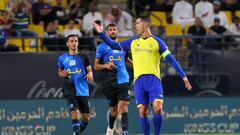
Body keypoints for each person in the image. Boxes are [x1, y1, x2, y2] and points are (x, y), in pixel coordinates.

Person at [93, 16, 192, 135]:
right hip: (139, 82)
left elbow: (171, 60)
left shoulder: (157, 42)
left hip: (154, 80)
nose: (135, 26)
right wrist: (102, 34)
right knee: (143, 112)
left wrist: (183, 76)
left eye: (137, 23)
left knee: (158, 108)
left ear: (145, 24)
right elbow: (114, 45)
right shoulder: (133, 41)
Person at [94, 23, 131, 135]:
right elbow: (96, 66)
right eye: (110, 30)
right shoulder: (102, 47)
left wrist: (138, 65)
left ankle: (125, 132)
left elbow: (127, 60)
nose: (112, 31)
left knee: (123, 107)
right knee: (114, 111)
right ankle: (110, 128)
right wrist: (106, 65)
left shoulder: (123, 46)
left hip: (123, 81)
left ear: (117, 31)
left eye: (114, 29)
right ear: (107, 32)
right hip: (109, 83)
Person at [58, 34, 93, 135]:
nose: (74, 43)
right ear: (67, 44)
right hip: (70, 89)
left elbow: (89, 71)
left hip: (83, 89)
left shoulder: (84, 56)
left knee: (86, 118)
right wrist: (62, 73)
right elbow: (59, 72)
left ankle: (76, 133)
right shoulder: (62, 58)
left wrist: (90, 74)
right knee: (75, 113)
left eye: (76, 41)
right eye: (72, 41)